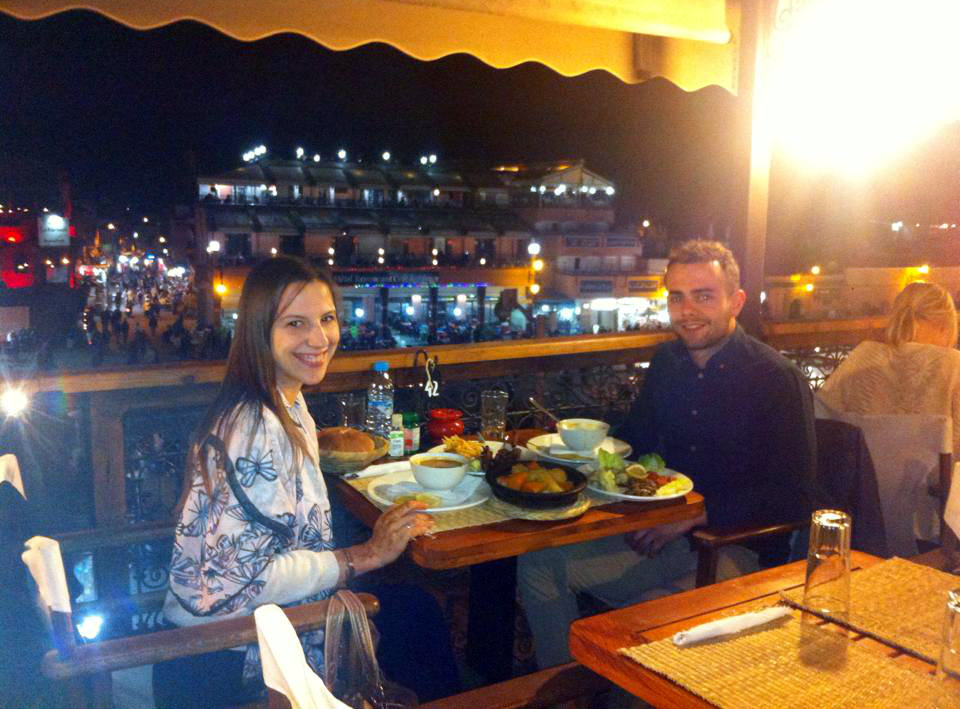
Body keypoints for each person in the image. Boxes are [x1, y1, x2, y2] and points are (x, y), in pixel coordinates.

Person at [155, 256, 457, 708]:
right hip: (225, 656)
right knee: (417, 619)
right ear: (259, 332)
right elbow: (248, 579)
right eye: (295, 323)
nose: (319, 339)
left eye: (327, 319)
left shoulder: (287, 404)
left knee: (413, 611)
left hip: (254, 627)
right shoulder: (254, 428)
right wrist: (366, 555)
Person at [518, 240, 817, 668]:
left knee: (637, 624)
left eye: (703, 296)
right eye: (677, 297)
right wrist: (569, 449)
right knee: (538, 564)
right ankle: (569, 687)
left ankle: (616, 682)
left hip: (740, 549)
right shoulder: (668, 362)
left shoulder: (776, 378)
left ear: (736, 301)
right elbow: (634, 440)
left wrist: (696, 515)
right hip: (660, 532)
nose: (687, 311)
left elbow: (796, 494)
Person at [818, 281, 960, 453]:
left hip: (864, 468)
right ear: (944, 327)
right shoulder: (953, 364)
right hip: (934, 470)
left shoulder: (862, 356)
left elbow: (822, 416)